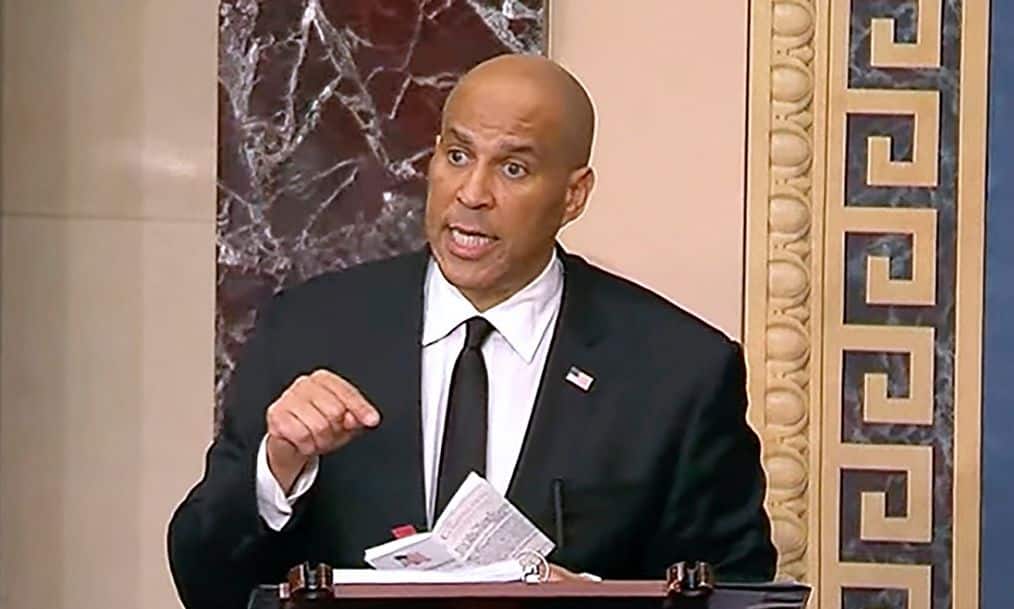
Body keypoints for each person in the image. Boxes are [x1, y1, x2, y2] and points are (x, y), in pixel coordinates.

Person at [168, 54, 777, 609]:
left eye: (513, 168)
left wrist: (598, 604)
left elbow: (737, 593)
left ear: (573, 195)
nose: (472, 193)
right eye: (458, 157)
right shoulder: (308, 329)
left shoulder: (678, 372)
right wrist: (278, 469)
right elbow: (204, 580)